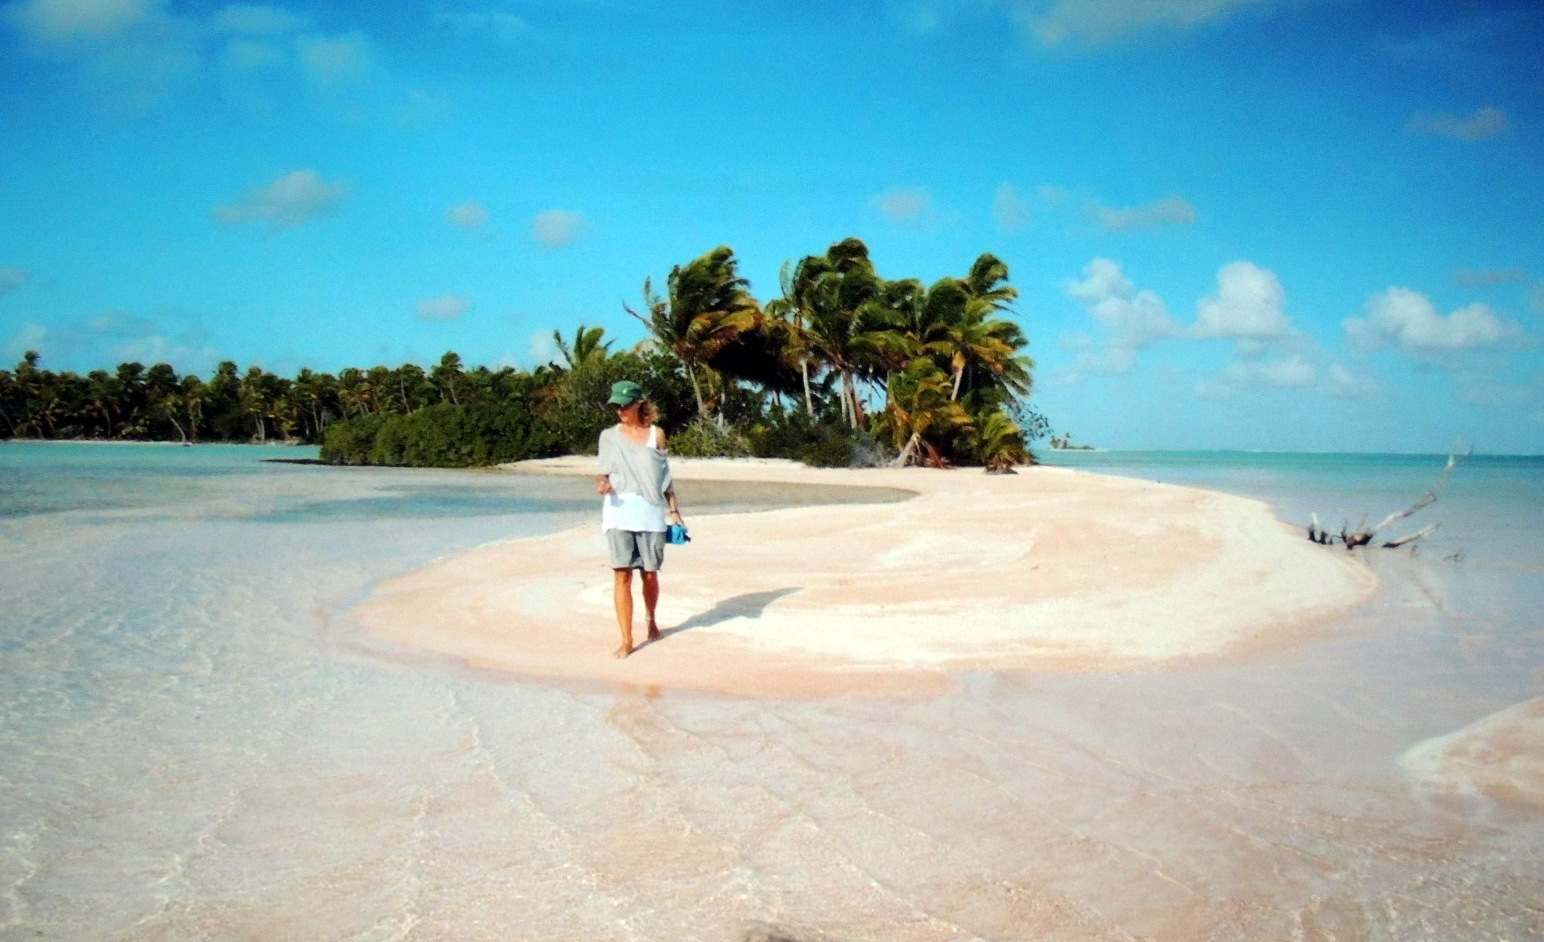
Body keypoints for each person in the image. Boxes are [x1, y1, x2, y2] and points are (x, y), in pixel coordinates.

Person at [596, 380, 684, 658]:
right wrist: (602, 484)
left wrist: (674, 511)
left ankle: (651, 619)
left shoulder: (657, 435)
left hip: (650, 512)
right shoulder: (608, 437)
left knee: (649, 574)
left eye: (624, 405)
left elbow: (665, 477)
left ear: (638, 404)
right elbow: (603, 474)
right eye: (616, 406)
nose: (620, 410)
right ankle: (627, 639)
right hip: (618, 512)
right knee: (622, 574)